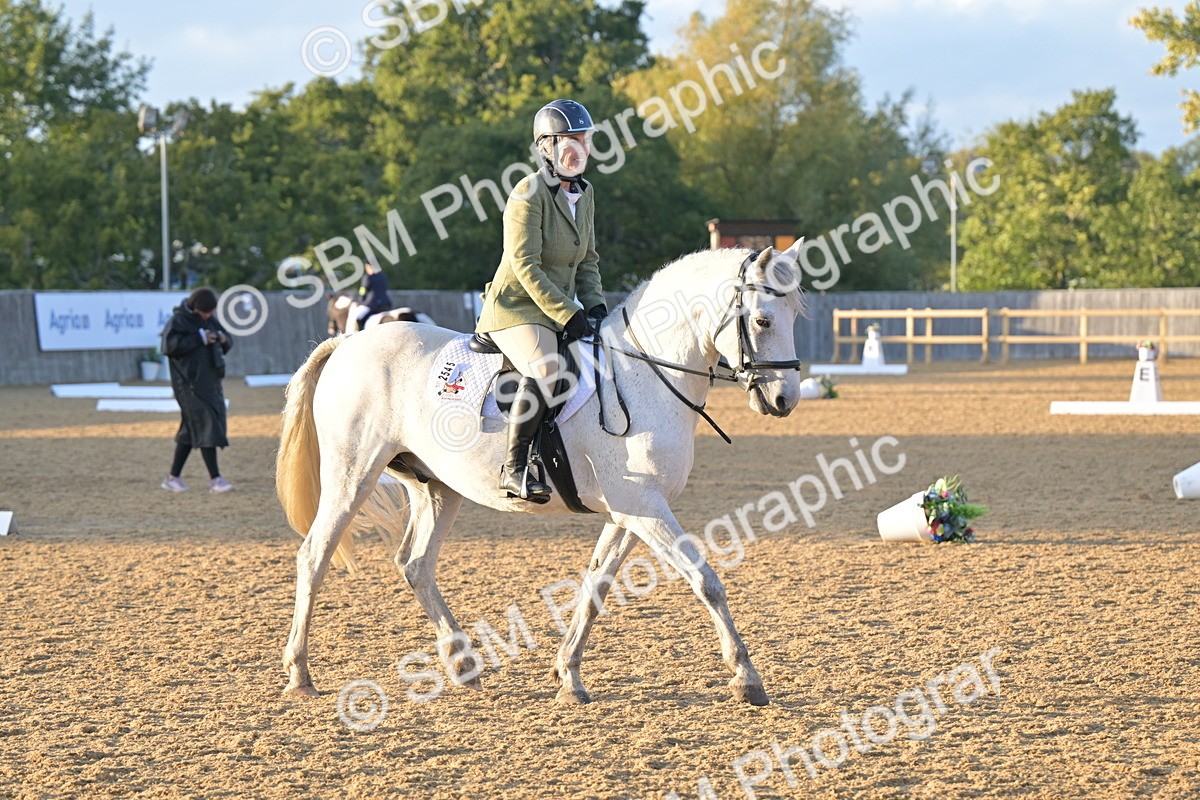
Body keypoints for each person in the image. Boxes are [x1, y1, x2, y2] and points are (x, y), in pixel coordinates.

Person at [475, 99, 608, 503]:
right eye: (570, 140)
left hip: (553, 311)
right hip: (515, 308)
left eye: (583, 140)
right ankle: (513, 469)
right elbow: (526, 266)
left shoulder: (584, 196)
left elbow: (587, 259)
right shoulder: (528, 193)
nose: (579, 148)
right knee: (548, 367)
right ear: (547, 148)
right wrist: (570, 314)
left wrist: (596, 304)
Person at [159, 287, 235, 493]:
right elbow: (169, 347)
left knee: (190, 431)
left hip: (209, 382)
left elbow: (228, 339)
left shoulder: (209, 319)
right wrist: (199, 338)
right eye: (206, 312)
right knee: (206, 424)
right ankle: (216, 479)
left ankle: (172, 477)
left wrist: (220, 338)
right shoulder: (179, 320)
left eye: (211, 312)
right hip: (188, 384)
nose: (209, 316)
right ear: (196, 307)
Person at [350, 262, 392, 332]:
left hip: (372, 303)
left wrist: (360, 301)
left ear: (370, 266)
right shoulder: (383, 276)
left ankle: (360, 335)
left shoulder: (368, 277)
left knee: (358, 319)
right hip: (386, 303)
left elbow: (363, 291)